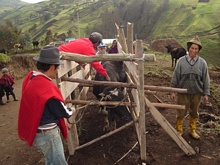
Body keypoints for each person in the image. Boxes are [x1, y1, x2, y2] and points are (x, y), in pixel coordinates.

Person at [18, 45, 75, 165]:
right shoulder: (46, 87)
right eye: (57, 67)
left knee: (50, 161)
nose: (58, 70)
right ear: (52, 66)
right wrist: (71, 110)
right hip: (48, 135)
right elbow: (61, 111)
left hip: (39, 133)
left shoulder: (31, 78)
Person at [170, 36, 210, 140]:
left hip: (197, 92)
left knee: (194, 112)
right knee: (181, 112)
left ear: (198, 50)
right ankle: (179, 131)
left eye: (196, 49)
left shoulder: (202, 63)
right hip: (183, 92)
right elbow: (176, 76)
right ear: (188, 48)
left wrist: (206, 93)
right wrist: (173, 91)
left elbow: (206, 78)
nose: (194, 50)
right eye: (192, 48)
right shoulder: (181, 62)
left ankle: (192, 130)